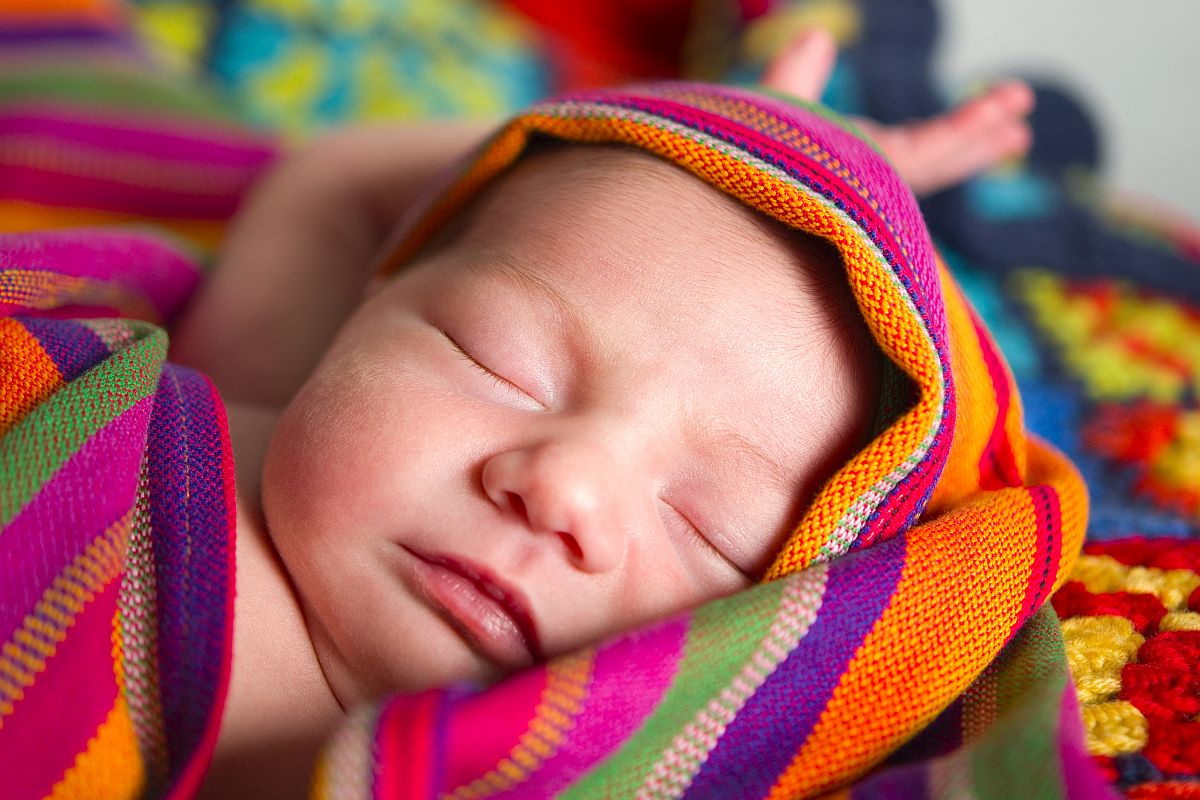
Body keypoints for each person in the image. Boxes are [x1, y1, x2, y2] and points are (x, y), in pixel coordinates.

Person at [5, 28, 1084, 800]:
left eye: (702, 522)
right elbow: (335, 186)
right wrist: (730, 133)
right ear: (371, 306)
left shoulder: (566, 755)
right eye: (499, 363)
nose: (565, 488)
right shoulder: (247, 394)